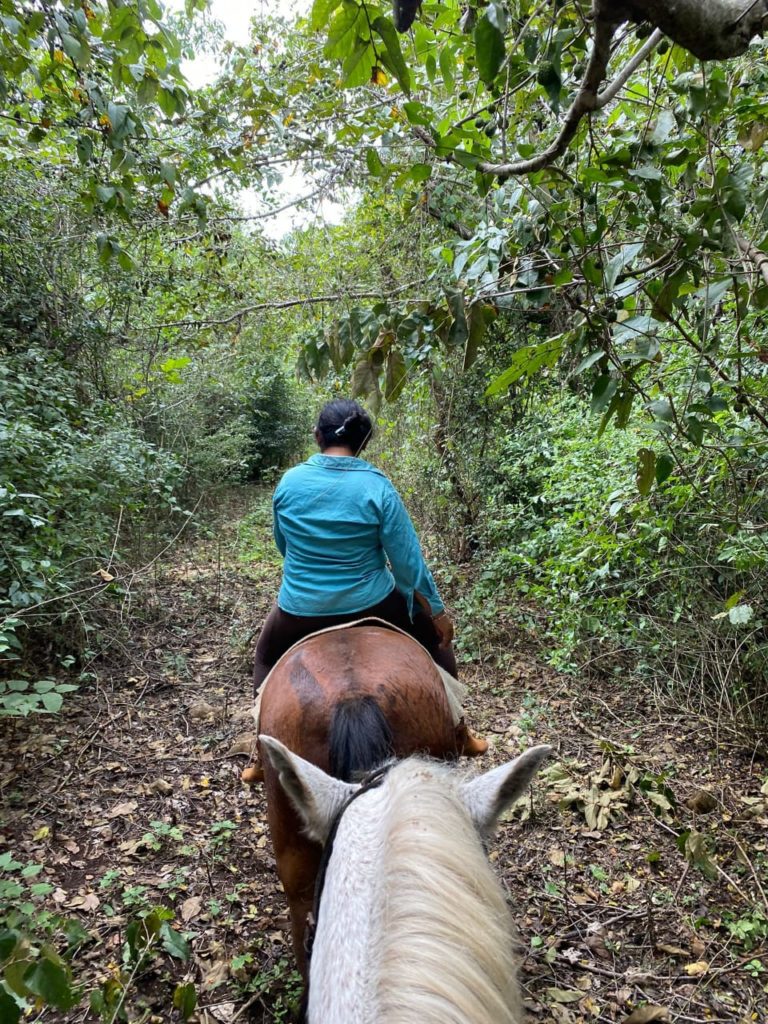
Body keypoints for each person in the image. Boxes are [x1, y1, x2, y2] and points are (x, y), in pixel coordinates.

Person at [243, 398, 487, 783]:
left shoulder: (289, 482)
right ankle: (460, 731)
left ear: (317, 435)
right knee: (437, 644)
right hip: (372, 601)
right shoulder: (377, 487)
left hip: (300, 607)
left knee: (264, 656)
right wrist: (436, 613)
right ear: (364, 442)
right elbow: (407, 564)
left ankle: (260, 753)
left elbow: (283, 545)